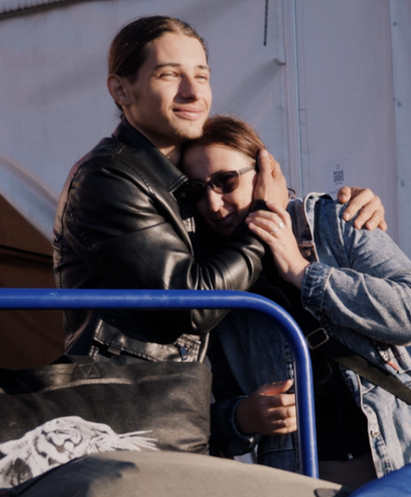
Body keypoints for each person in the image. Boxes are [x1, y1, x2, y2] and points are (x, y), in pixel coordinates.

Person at [52, 15, 384, 363]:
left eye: (202, 76)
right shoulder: (105, 179)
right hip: (131, 402)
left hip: (174, 394)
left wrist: (349, 207)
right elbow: (195, 305)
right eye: (169, 74)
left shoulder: (175, 178)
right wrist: (264, 217)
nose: (193, 92)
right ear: (121, 90)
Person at [180, 115, 411, 490]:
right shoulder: (210, 281)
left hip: (406, 461)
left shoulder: (332, 222)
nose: (212, 202)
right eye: (196, 190)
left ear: (265, 170)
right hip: (303, 488)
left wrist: (304, 273)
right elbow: (202, 418)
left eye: (225, 181)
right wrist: (243, 416)